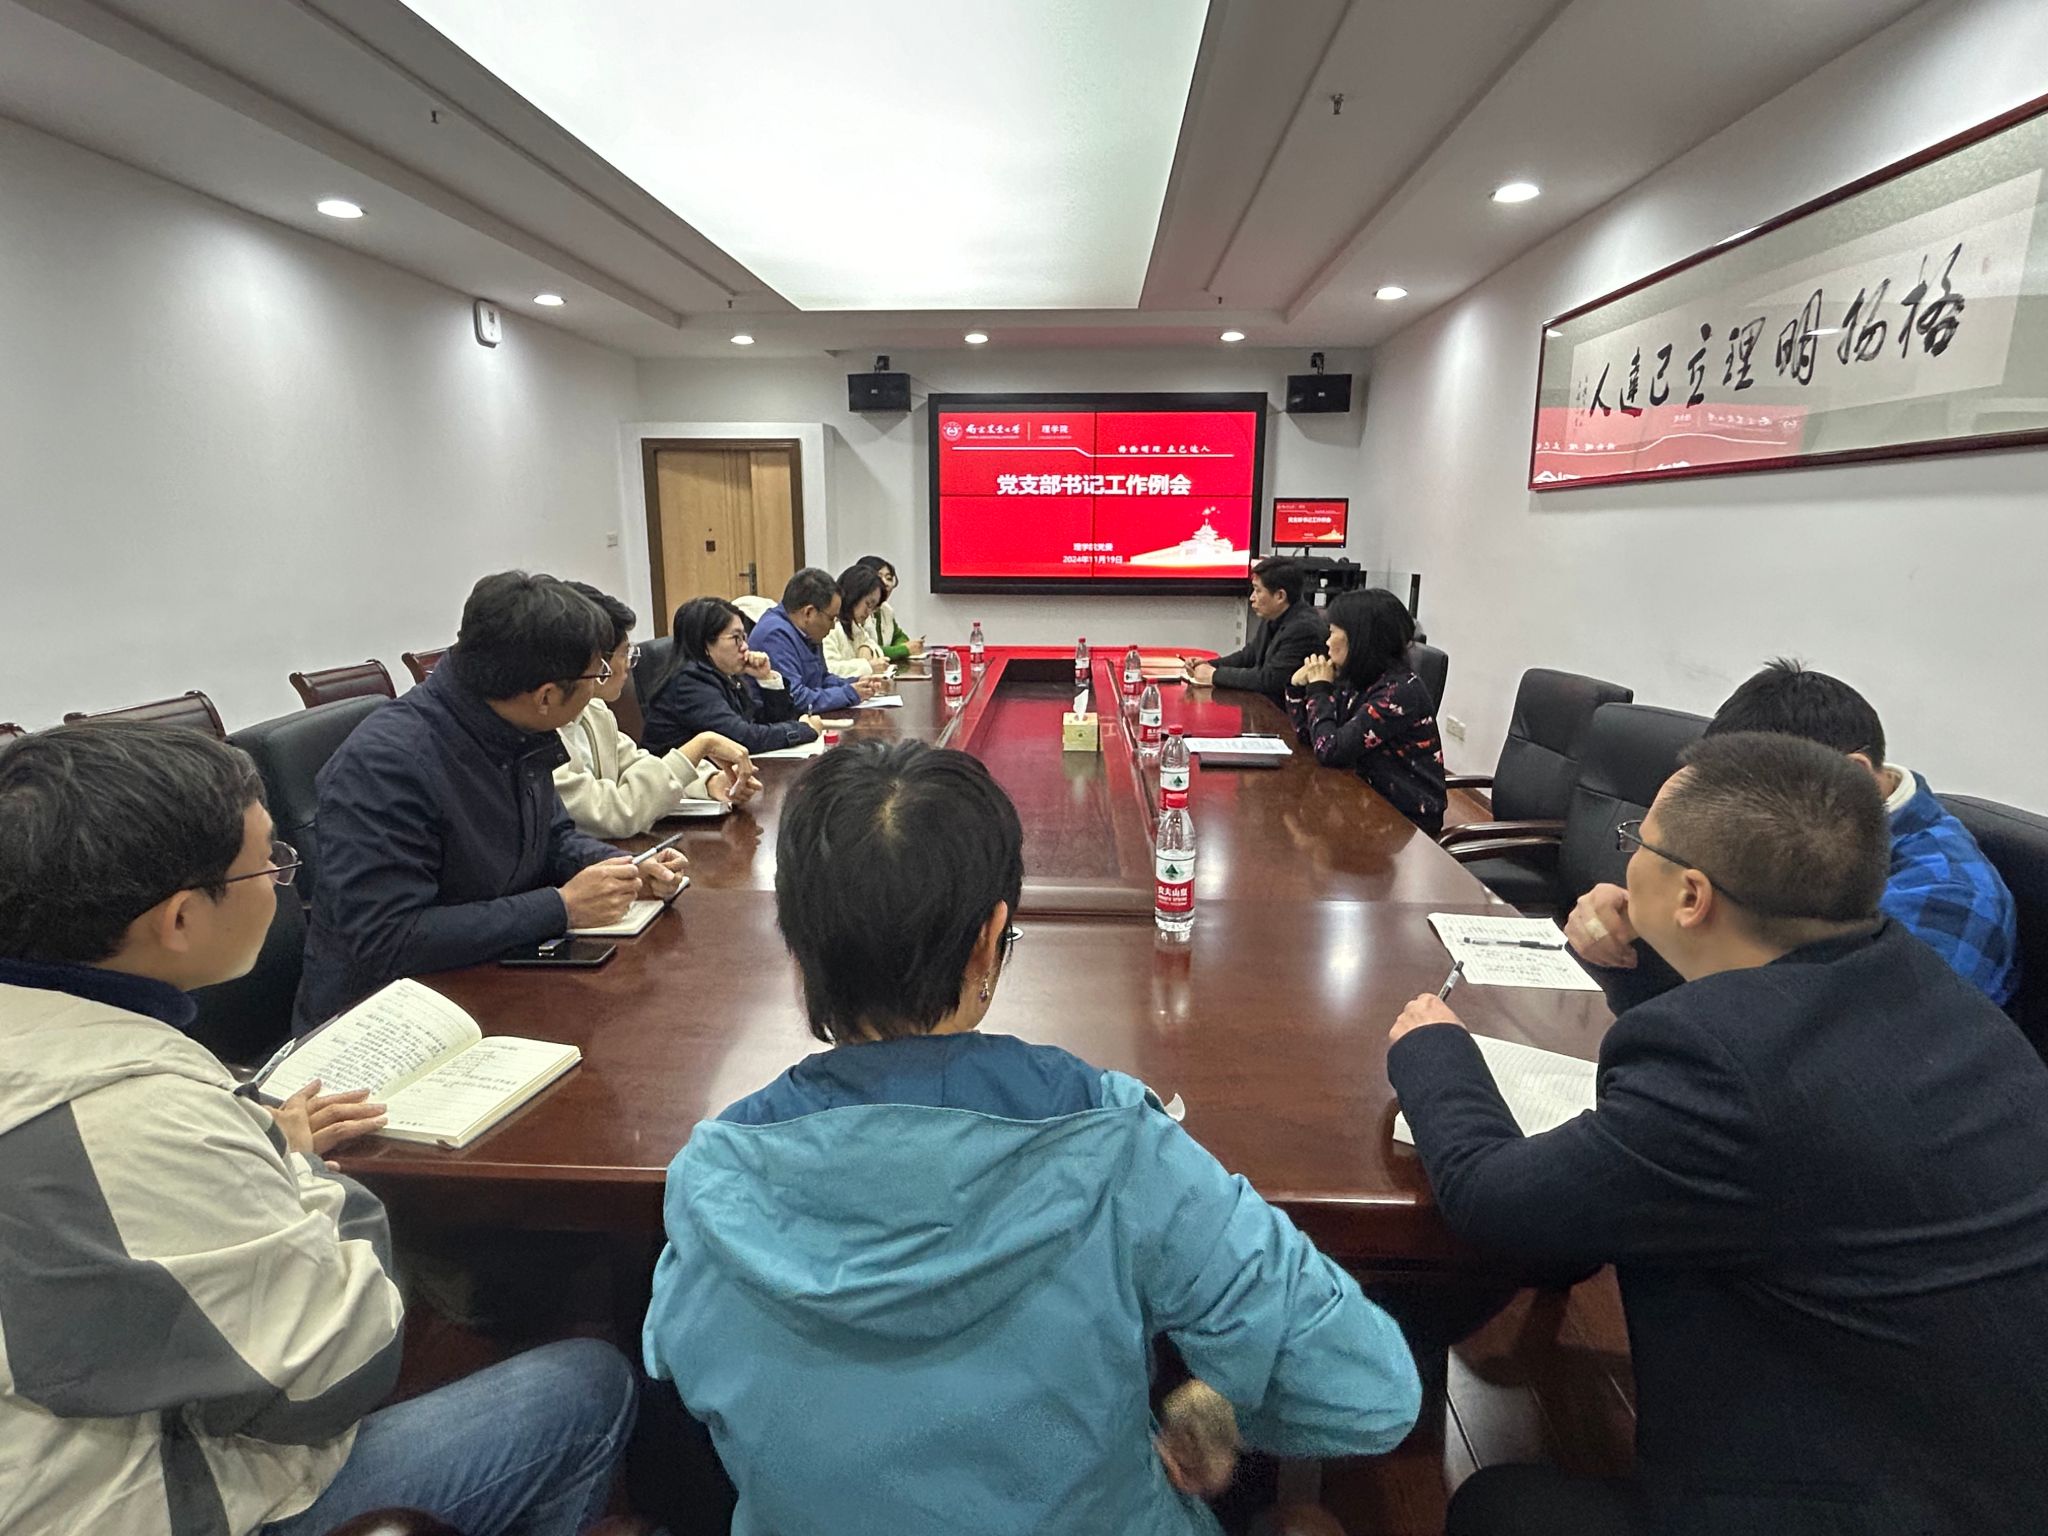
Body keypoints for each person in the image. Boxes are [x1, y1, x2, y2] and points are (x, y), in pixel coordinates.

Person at [642, 739, 1421, 1536]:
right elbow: (1370, 1392)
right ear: (990, 938)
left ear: (798, 945)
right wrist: (1229, 1402)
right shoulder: (1115, 1140)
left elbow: (680, 1363)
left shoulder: (712, 1179)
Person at [1387, 732, 2048, 1536]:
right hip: (1988, 1451)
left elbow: (1492, 1199)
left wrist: (1433, 1050)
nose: (1626, 859)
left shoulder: (1725, 1068)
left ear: (1692, 896)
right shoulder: (1917, 979)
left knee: (1499, 1509)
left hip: (1880, 1501)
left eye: (1639, 842)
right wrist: (1637, 966)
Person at [0, 722, 639, 1536]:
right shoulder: (137, 1120)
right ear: (181, 919)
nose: (285, 881)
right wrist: (295, 1167)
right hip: (137, 1506)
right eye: (271, 862)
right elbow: (342, 1371)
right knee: (590, 1384)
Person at [294, 572, 688, 1031]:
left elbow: (553, 837)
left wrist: (618, 870)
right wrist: (560, 907)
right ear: (545, 696)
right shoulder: (385, 765)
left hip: (487, 983)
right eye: (595, 673)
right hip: (383, 1022)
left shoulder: (511, 724)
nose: (600, 685)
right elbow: (388, 937)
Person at [1566, 659, 2020, 1010]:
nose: (1738, 809)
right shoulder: (1788, 832)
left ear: (1852, 775)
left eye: (1754, 787)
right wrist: (1633, 916)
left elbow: (1818, 1040)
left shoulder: (1946, 898)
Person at [553, 582, 760, 838]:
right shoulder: (541, 731)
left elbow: (642, 764)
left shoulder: (594, 711)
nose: (628, 665)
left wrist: (709, 781)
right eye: (624, 653)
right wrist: (701, 746)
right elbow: (615, 813)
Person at [1283, 587, 1445, 833]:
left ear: (1360, 639)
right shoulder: (1358, 678)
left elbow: (1330, 750)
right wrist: (1297, 688)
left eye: (1333, 633)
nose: (1327, 642)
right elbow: (1313, 737)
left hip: (1405, 819)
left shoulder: (1399, 692)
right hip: (1362, 798)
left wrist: (1318, 689)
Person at [644, 596, 822, 755]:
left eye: (744, 637)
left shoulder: (723, 675)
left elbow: (765, 722)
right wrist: (804, 729)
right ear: (705, 644)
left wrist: (767, 679)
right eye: (736, 638)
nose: (745, 647)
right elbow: (742, 738)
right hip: (677, 780)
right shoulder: (689, 683)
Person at [748, 567, 888, 714]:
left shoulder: (808, 631)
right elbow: (795, 699)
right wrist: (849, 694)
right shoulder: (774, 635)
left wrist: (855, 683)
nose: (833, 626)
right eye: (831, 618)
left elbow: (822, 679)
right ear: (809, 613)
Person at [1188, 558, 1325, 701]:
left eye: (1258, 590)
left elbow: (1270, 680)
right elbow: (1249, 655)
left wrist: (1214, 675)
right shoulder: (1274, 615)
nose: (1252, 598)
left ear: (1280, 596)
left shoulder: (1304, 629)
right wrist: (1208, 664)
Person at [821, 562, 889, 678]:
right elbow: (829, 669)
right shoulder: (830, 627)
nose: (869, 612)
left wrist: (867, 648)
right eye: (868, 604)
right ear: (853, 595)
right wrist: (867, 666)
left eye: (873, 607)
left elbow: (876, 649)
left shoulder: (855, 627)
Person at [853, 553, 923, 662]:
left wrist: (902, 647)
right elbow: (865, 651)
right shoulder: (857, 612)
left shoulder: (886, 610)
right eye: (878, 577)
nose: (885, 583)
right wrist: (903, 649)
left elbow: (899, 636)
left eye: (889, 578)